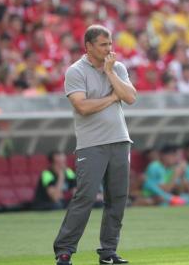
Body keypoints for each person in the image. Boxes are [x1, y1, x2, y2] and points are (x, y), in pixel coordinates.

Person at [53, 25, 136, 265]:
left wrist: (110, 74)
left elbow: (130, 98)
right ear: (88, 46)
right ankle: (64, 250)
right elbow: (83, 107)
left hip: (120, 141)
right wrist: (112, 97)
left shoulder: (117, 67)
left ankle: (108, 252)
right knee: (86, 197)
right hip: (91, 145)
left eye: (110, 44)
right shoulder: (75, 71)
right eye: (103, 44)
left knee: (118, 198)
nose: (109, 49)